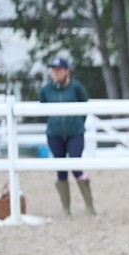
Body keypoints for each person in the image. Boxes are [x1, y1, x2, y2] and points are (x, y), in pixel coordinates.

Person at [38, 58, 94, 215]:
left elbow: (84, 106)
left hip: (74, 132)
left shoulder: (76, 87)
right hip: (55, 134)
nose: (56, 72)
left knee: (76, 165)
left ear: (66, 71)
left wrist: (77, 124)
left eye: (59, 69)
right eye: (54, 69)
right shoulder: (46, 90)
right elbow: (42, 110)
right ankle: (65, 208)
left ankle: (89, 205)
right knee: (60, 168)